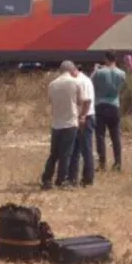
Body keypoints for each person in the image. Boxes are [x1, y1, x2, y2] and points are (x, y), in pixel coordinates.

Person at [41, 61, 83, 190]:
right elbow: (80, 101)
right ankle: (61, 180)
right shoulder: (75, 83)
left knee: (54, 153)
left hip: (56, 123)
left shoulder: (52, 84)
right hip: (70, 123)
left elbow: (50, 100)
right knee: (66, 154)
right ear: (71, 70)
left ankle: (47, 178)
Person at [91, 51, 126, 172]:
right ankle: (118, 163)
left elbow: (90, 83)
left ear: (106, 59)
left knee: (100, 136)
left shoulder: (99, 73)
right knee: (115, 136)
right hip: (114, 105)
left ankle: (102, 164)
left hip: (100, 105)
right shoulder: (121, 73)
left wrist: (95, 70)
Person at [67, 63, 95, 187]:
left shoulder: (81, 81)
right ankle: (72, 177)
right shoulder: (83, 80)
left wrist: (82, 116)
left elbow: (87, 101)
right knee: (75, 149)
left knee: (85, 149)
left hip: (85, 118)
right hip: (80, 117)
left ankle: (88, 179)